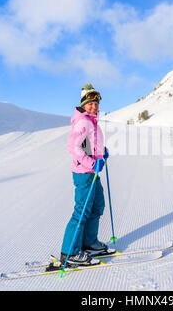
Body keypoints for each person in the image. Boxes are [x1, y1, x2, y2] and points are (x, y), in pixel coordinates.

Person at [60, 83, 110, 267]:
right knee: (81, 212)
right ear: (83, 103)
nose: (94, 106)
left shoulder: (91, 120)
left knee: (97, 206)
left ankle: (89, 243)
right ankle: (69, 253)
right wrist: (92, 163)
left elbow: (88, 145)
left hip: (92, 172)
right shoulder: (83, 121)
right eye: (90, 103)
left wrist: (102, 152)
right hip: (84, 173)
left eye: (96, 103)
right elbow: (73, 147)